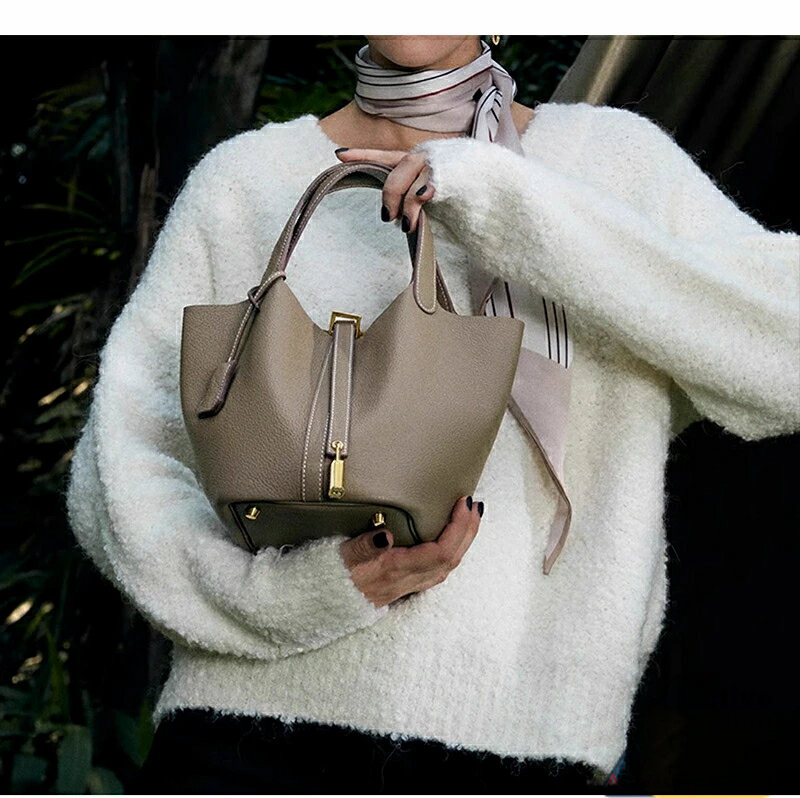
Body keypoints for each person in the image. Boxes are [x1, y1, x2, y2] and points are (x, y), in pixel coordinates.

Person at [65, 35, 800, 793]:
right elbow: (116, 472)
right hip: (243, 737)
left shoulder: (615, 164)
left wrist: (514, 206)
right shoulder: (246, 181)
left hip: (528, 747)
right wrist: (294, 596)